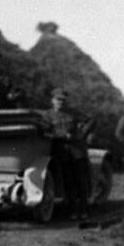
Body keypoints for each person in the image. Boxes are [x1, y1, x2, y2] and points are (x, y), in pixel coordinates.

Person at [41, 89, 94, 220]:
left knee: (81, 181)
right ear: (52, 100)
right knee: (68, 182)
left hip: (77, 151)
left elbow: (91, 120)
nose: (60, 102)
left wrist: (82, 135)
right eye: (58, 100)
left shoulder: (73, 113)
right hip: (61, 151)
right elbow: (44, 133)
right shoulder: (47, 116)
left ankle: (84, 210)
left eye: (63, 100)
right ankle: (72, 211)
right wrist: (61, 135)